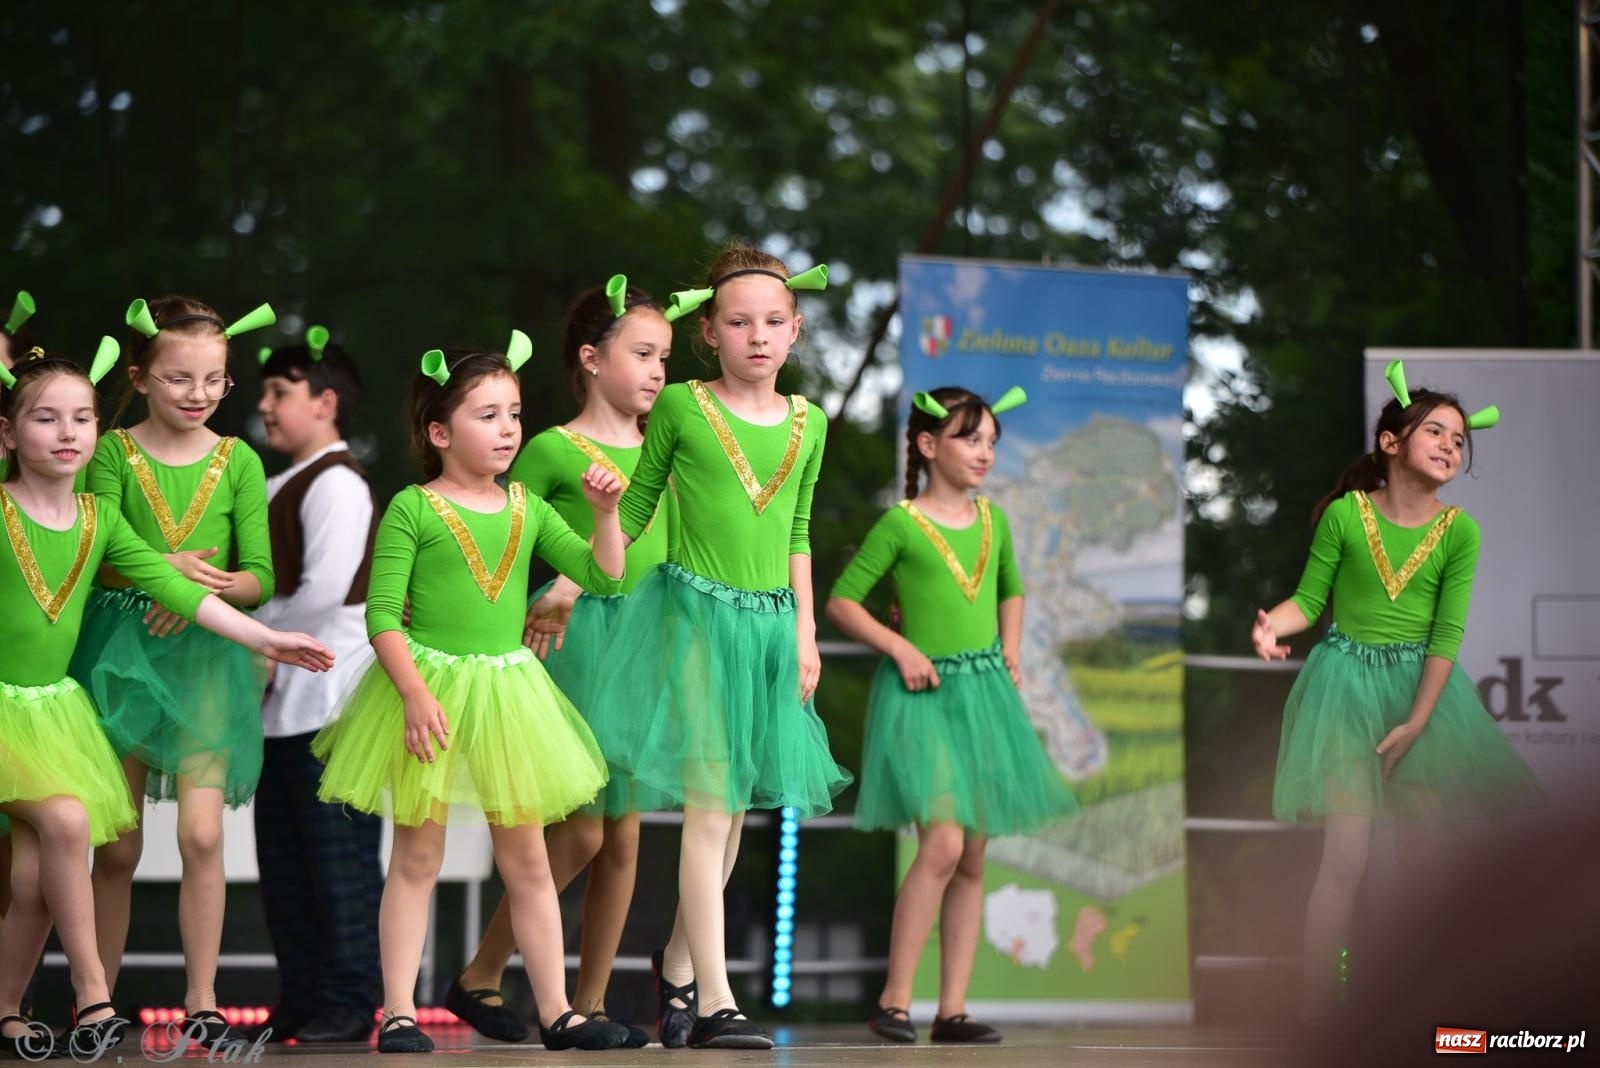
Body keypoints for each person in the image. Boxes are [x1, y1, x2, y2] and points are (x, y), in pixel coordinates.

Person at [0, 344, 330, 1058]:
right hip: (71, 684)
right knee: (83, 839)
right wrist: (168, 582)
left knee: (57, 869)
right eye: (48, 419)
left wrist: (263, 639)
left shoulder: (116, 509)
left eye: (80, 419)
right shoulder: (60, 489)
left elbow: (210, 584)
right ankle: (91, 999)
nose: (67, 433)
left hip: (107, 696)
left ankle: (52, 1008)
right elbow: (130, 573)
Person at [312, 335, 633, 1053]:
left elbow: (606, 576)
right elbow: (382, 616)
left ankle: (557, 1011)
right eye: (487, 415)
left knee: (525, 860)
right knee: (417, 857)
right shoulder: (413, 508)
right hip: (427, 688)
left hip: (508, 692)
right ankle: (397, 1010)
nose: (509, 429)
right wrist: (415, 695)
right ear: (439, 431)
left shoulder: (525, 505)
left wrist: (605, 515)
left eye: (514, 413)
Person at [582, 247, 851, 1049]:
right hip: (694, 620)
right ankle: (715, 1002)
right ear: (709, 332)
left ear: (795, 330)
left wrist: (806, 632)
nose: (757, 337)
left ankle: (675, 963)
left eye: (773, 322)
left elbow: (798, 533)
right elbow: (631, 520)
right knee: (708, 808)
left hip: (771, 628)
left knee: (732, 813)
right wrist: (593, 532)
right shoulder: (683, 409)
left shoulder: (812, 423)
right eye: (738, 322)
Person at [1250, 360, 1537, 1021]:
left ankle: (1426, 1011)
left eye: (1459, 440)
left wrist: (1417, 722)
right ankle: (1324, 1012)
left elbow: (1447, 635)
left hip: (1423, 701)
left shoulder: (1460, 531)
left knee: (1424, 860)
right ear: (1391, 441)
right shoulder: (1346, 517)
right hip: (1346, 689)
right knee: (1346, 856)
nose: (1448, 446)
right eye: (1434, 431)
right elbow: (1307, 601)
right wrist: (1272, 625)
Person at [449, 278, 673, 1048]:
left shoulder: (661, 448)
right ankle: (482, 971)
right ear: (590, 358)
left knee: (626, 835)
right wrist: (556, 590)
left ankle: (593, 1000)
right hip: (568, 647)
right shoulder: (547, 447)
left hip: (644, 643)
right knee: (578, 830)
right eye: (642, 354)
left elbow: (657, 540)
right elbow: (504, 533)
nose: (655, 372)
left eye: (664, 359)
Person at [827, 385, 1078, 1045]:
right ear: (928, 444)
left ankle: (953, 1010)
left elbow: (1013, 589)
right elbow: (844, 601)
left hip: (984, 694)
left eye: (993, 441)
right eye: (972, 438)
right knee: (941, 840)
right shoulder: (901, 523)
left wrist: (1012, 650)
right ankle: (895, 1000)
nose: (985, 452)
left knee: (972, 851)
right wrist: (900, 645)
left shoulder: (994, 522)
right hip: (922, 696)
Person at [70, 295, 279, 1044]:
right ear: (141, 376)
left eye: (214, 380)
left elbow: (260, 576)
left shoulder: (240, 460)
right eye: (179, 378)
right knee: (117, 843)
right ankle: (95, 1001)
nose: (197, 394)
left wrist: (201, 592)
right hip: (122, 659)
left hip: (204, 664)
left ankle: (203, 997)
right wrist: (159, 573)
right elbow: (90, 557)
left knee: (200, 836)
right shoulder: (110, 453)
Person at [249, 326, 383, 1042]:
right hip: (283, 708)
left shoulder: (335, 481)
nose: (265, 406)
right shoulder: (280, 481)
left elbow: (325, 591)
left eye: (280, 391)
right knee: (287, 865)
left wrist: (253, 638)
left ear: (326, 402)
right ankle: (301, 996)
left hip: (332, 702)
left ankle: (351, 998)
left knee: (339, 865)